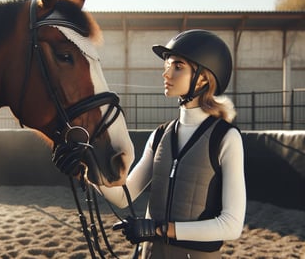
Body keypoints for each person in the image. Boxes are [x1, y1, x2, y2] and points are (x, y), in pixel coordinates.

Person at [53, 29, 246, 259]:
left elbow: (232, 225)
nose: (166, 74)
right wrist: (85, 169)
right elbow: (124, 196)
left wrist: (158, 229)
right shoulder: (160, 134)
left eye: (177, 66)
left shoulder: (226, 138)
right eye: (166, 66)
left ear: (203, 78)